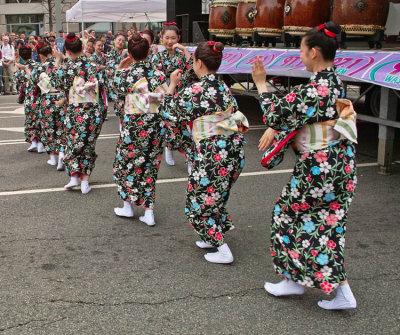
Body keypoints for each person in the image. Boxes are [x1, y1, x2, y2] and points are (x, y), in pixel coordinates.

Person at [251, 21, 358, 310]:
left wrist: (261, 83)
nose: (299, 53)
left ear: (313, 52)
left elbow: (275, 111)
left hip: (319, 167)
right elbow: (299, 115)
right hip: (340, 165)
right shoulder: (333, 81)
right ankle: (330, 289)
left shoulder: (316, 89)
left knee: (286, 215)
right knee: (326, 225)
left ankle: (297, 280)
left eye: (300, 48)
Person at [160, 41, 248, 264]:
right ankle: (212, 237)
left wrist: (172, 84)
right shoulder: (223, 87)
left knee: (198, 201)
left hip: (212, 152)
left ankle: (222, 248)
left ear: (198, 62)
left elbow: (169, 112)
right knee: (215, 197)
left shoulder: (196, 89)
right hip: (234, 149)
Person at [112, 32, 168, 226]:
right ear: (149, 52)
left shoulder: (124, 75)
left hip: (134, 124)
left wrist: (120, 67)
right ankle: (149, 212)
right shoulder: (158, 73)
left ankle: (127, 206)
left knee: (126, 164)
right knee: (150, 166)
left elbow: (116, 92)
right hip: (155, 124)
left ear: (129, 52)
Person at [54, 32, 105, 194]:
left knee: (72, 144)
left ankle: (74, 176)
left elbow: (56, 83)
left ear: (68, 52)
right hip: (93, 111)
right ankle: (84, 181)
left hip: (75, 111)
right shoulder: (94, 65)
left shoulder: (67, 68)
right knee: (88, 146)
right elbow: (102, 85)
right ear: (83, 47)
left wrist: (58, 60)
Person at [155, 22, 197, 170]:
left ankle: (191, 160)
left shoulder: (183, 55)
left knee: (188, 129)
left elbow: (193, 71)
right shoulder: (158, 57)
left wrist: (185, 50)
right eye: (167, 37)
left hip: (184, 96)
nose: (170, 41)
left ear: (178, 38)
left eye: (173, 38)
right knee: (169, 127)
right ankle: (169, 148)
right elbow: (157, 79)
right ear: (161, 37)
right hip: (167, 95)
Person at [29, 43, 66, 170]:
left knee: (48, 130)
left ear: (41, 56)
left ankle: (53, 158)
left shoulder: (39, 68)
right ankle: (62, 153)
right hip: (61, 100)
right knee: (62, 129)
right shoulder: (62, 65)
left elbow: (33, 83)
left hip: (46, 101)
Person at [13, 46, 45, 153]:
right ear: (32, 54)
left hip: (28, 97)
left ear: (21, 55)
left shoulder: (20, 67)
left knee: (30, 119)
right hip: (39, 95)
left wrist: (16, 67)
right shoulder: (38, 65)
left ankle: (34, 141)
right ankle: (40, 142)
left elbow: (17, 82)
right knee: (39, 119)